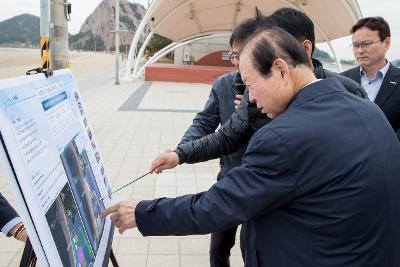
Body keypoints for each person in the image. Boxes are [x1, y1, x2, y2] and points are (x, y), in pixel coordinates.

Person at [102, 27, 400, 266]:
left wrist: (141, 212)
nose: (250, 100)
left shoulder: (284, 137)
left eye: (249, 84)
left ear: (281, 70)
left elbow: (215, 207)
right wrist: (181, 153)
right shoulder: (366, 109)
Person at [150, 8, 368, 174]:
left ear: (305, 48)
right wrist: (180, 154)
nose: (251, 95)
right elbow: (226, 136)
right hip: (253, 193)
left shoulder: (351, 93)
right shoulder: (252, 93)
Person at [168, 19, 263, 266]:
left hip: (264, 183)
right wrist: (182, 149)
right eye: (234, 56)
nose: (238, 63)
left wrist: (255, 112)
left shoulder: (275, 89)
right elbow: (204, 122)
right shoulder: (224, 84)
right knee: (218, 248)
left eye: (244, 55)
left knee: (254, 249)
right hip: (230, 177)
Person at [341, 16, 400, 140]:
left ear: (386, 43)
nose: (360, 50)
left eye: (366, 44)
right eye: (355, 45)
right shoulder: (342, 80)